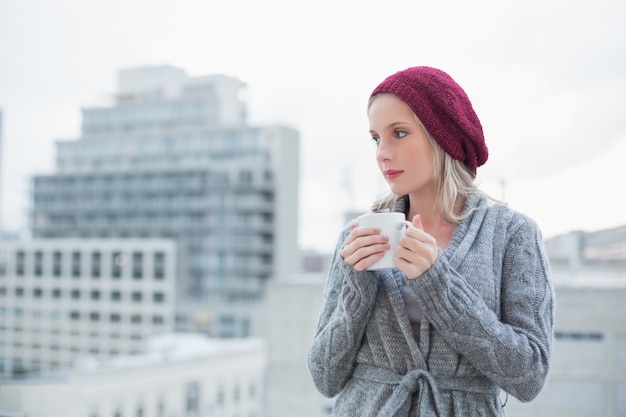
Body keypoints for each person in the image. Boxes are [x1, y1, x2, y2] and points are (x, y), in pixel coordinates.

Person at [307, 66, 554, 416]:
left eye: (399, 133)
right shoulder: (358, 236)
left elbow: (529, 376)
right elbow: (324, 378)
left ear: (443, 137)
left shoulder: (513, 235)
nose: (382, 153)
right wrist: (356, 285)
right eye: (376, 138)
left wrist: (438, 282)